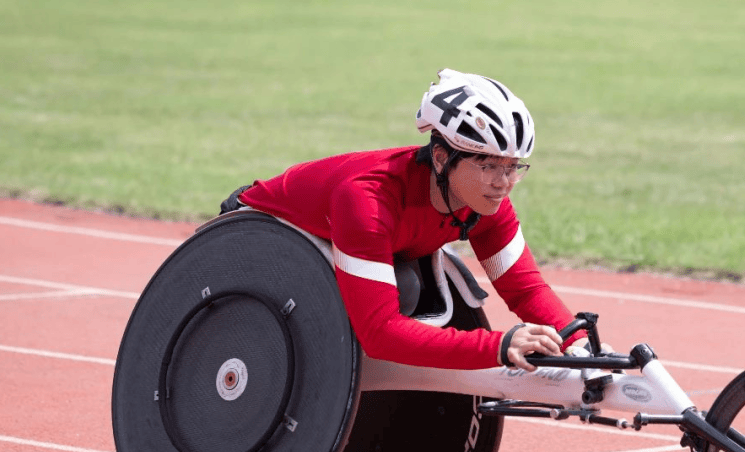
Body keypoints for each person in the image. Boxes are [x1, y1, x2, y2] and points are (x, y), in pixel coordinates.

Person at [228, 68, 581, 372]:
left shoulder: (486, 201)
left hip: (329, 251)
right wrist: (498, 347)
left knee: (408, 285)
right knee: (405, 288)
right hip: (249, 243)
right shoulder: (367, 200)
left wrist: (581, 344)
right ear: (441, 158)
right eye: (488, 165)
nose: (503, 182)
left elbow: (526, 290)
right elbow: (380, 334)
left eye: (512, 167)